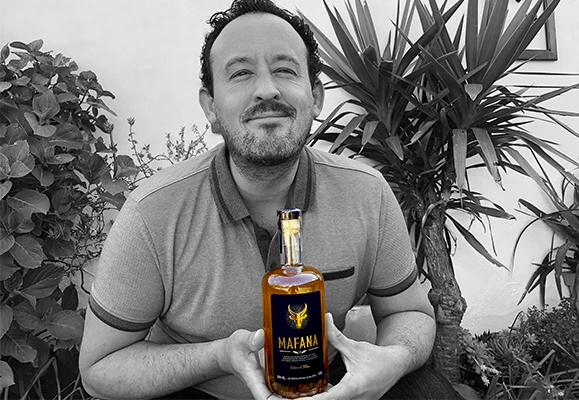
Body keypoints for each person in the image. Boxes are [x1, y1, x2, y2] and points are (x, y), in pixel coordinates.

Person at [79, 1, 463, 399]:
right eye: (241, 73)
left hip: (328, 388)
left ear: (315, 97)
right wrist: (219, 357)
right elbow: (99, 368)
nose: (266, 89)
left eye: (285, 69)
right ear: (211, 107)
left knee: (426, 391)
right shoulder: (153, 213)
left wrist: (390, 361)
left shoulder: (367, 193)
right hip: (205, 390)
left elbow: (409, 311)